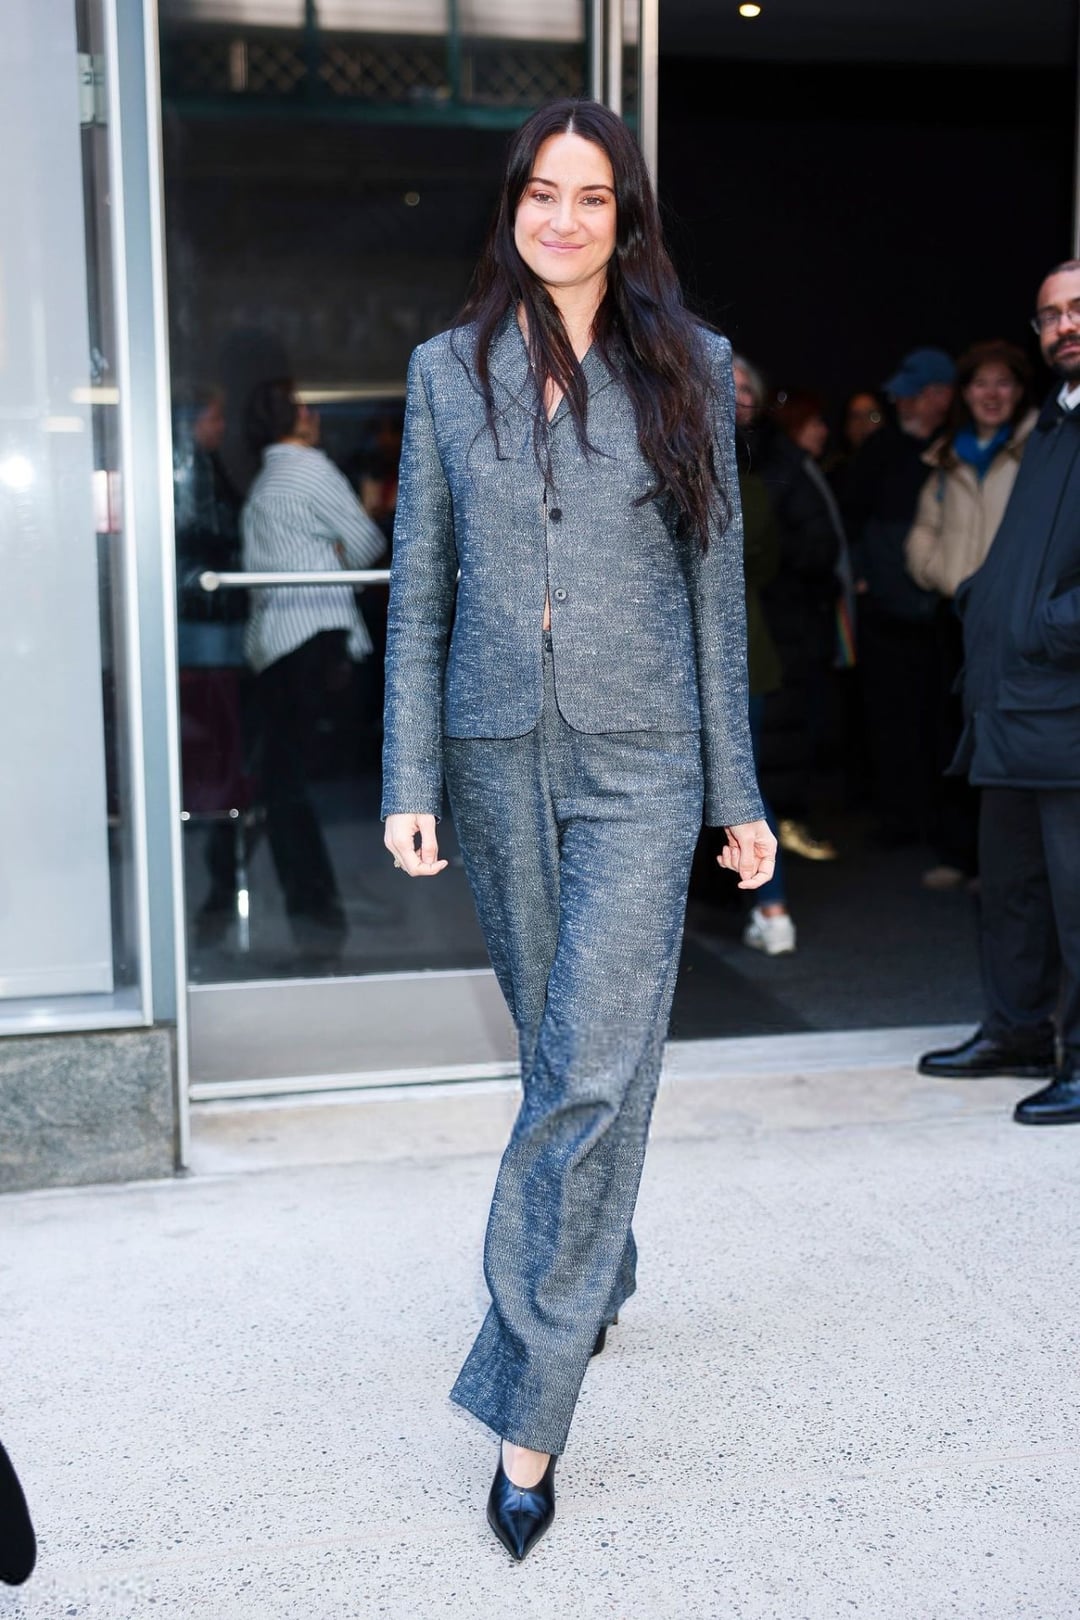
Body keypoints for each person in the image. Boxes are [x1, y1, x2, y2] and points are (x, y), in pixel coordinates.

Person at [381, 98, 774, 1560]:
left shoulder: (692, 367)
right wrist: (409, 776)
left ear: (627, 216)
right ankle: (596, 1267)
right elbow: (420, 586)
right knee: (565, 1054)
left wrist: (737, 792)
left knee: (590, 1074)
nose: (564, 218)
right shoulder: (446, 371)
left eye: (592, 196)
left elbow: (715, 595)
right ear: (513, 209)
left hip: (641, 759)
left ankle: (528, 1412)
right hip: (493, 755)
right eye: (542, 193)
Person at [919, 261, 1080, 1125]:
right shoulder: (1053, 420)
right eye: (1050, 315)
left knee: (1078, 898)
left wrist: (1042, 627)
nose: (1065, 326)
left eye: (1079, 309)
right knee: (1014, 886)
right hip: (1014, 703)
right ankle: (1018, 1032)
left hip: (1069, 702)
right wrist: (989, 604)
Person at [242, 379, 385, 956]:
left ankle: (312, 921)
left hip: (274, 646)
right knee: (310, 792)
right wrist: (338, 550)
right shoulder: (309, 468)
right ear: (293, 417)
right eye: (303, 405)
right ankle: (321, 925)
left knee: (283, 787)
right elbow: (367, 544)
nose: (313, 413)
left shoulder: (266, 478)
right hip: (315, 641)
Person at [904, 340, 1036, 888]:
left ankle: (1002, 863)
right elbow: (923, 530)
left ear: (1020, 391)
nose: (992, 393)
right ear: (965, 393)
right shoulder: (946, 455)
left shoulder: (1038, 451)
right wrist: (940, 575)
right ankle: (958, 854)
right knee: (953, 729)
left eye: (1003, 382)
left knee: (1010, 735)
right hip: (955, 614)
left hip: (1017, 617)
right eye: (981, 383)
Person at [842, 347, 956, 847]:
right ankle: (899, 817)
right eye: (904, 395)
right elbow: (849, 519)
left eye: (917, 394)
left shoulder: (959, 448)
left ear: (942, 396)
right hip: (887, 613)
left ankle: (942, 821)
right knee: (890, 718)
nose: (904, 403)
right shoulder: (879, 451)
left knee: (943, 718)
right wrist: (861, 576)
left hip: (943, 613)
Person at [735, 365, 841, 862]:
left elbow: (819, 545)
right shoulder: (682, 450)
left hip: (775, 622)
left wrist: (764, 560)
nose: (732, 395)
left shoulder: (776, 463)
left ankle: (771, 860)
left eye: (742, 387)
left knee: (768, 748)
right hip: (753, 621)